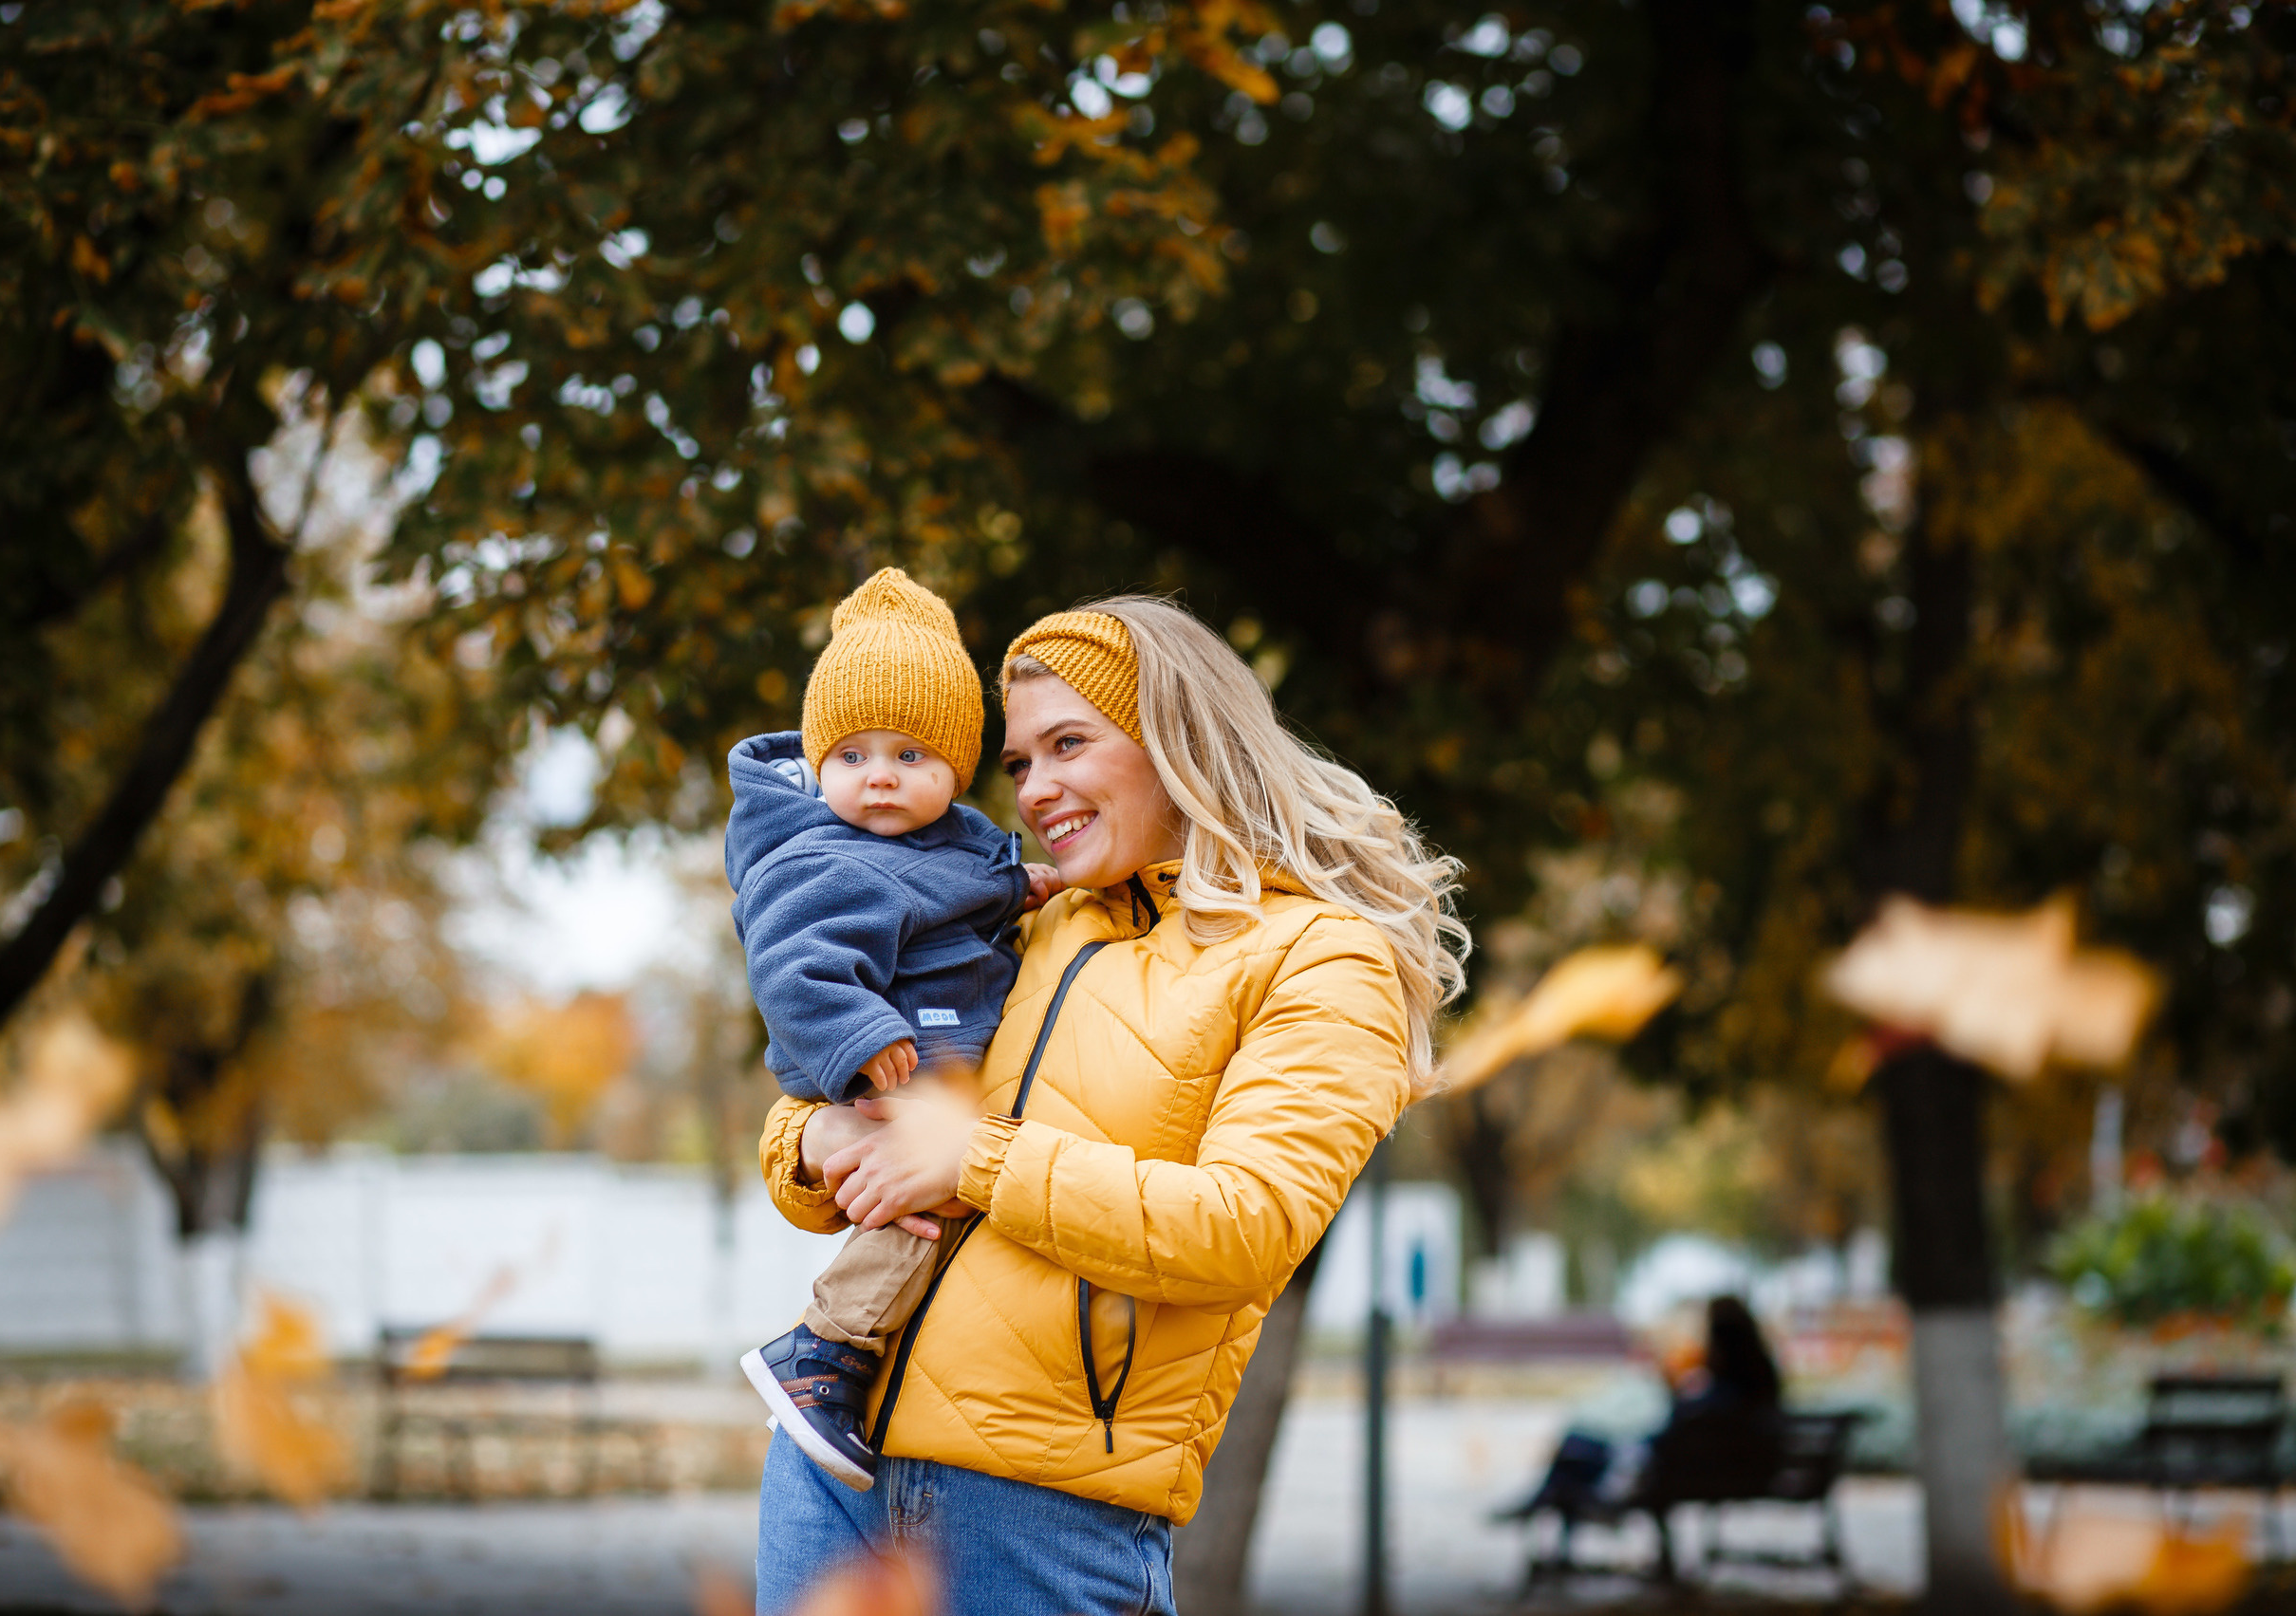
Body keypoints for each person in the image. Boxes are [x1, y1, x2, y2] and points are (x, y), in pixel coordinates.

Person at [751, 597, 1469, 1616]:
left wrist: (971, 1157)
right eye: (1019, 763)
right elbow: (854, 1099)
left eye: (1069, 744)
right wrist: (810, 1135)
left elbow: (1243, 1227)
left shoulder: (1319, 957)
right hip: (833, 1471)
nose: (1036, 788)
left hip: (1040, 1518)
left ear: (1179, 736)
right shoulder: (1041, 922)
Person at [727, 568, 1063, 1491]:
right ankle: (825, 1346)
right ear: (820, 762)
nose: (879, 774)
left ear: (956, 768)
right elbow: (792, 963)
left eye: (910, 754)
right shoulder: (824, 859)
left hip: (933, 1052)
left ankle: (837, 1351)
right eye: (852, 755)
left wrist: (1020, 886)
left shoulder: (935, 843)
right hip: (891, 1061)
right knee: (920, 1209)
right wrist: (858, 1035)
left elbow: (957, 895)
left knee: (935, 1199)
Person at [1505, 1293, 1784, 1519]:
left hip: (1664, 1474)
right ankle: (1545, 1496)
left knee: (1579, 1445)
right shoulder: (1756, 1391)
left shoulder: (1716, 1398)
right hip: (1736, 1473)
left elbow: (1668, 1433)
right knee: (1582, 1448)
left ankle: (1543, 1500)